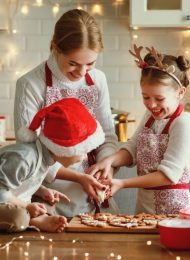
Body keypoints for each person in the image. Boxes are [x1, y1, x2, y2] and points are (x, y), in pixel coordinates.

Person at [14, 9, 118, 217]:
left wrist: (106, 167)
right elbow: (30, 153)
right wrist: (78, 178)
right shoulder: (31, 84)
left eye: (90, 63)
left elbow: (107, 135)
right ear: (54, 46)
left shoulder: (98, 80)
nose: (81, 72)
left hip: (94, 191)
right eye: (73, 63)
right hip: (48, 195)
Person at [88, 44, 190, 215]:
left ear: (180, 93)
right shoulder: (150, 117)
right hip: (145, 207)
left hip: (175, 211)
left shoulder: (182, 124)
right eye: (145, 97)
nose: (151, 104)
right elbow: (132, 149)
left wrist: (122, 183)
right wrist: (109, 161)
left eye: (159, 98)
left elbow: (168, 175)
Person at [0, 98, 105, 232]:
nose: (84, 156)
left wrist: (40, 190)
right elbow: (1, 192)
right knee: (18, 217)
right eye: (81, 151)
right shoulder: (24, 158)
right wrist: (26, 206)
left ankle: (34, 218)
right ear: (62, 149)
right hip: (4, 199)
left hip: (11, 201)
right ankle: (33, 220)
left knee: (48, 206)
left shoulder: (46, 158)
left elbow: (21, 181)